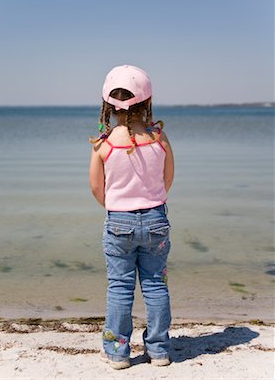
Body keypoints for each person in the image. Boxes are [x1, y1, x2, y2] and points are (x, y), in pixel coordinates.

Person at [89, 64, 175, 370]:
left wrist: (119, 210)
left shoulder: (105, 144)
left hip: (118, 223)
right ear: (146, 103)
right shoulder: (159, 139)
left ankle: (117, 353)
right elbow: (167, 180)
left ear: (108, 107)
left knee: (119, 288)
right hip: (155, 221)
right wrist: (148, 203)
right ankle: (160, 350)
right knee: (155, 285)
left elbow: (98, 190)